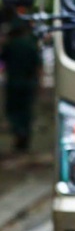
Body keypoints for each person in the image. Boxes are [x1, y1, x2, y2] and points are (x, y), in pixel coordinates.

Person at [1, 14, 42, 151]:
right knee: (26, 111)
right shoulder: (30, 45)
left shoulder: (10, 45)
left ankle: (18, 133)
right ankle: (24, 136)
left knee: (13, 111)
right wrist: (39, 83)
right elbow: (38, 66)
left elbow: (2, 62)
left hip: (13, 83)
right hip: (28, 83)